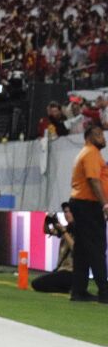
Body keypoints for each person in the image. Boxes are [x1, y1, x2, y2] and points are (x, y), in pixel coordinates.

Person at [68, 123, 108, 302]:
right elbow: (93, 181)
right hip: (88, 204)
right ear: (90, 137)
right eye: (99, 135)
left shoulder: (88, 153)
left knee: (83, 248)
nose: (103, 138)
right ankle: (104, 291)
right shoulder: (91, 153)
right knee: (96, 247)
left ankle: (79, 290)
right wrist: (105, 204)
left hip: (81, 203)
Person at [32, 205, 77, 295]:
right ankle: (67, 289)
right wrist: (48, 221)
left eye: (70, 212)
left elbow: (75, 249)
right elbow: (47, 231)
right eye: (65, 212)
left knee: (37, 284)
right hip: (62, 271)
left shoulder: (80, 230)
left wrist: (64, 232)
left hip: (72, 272)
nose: (67, 214)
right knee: (39, 283)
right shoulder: (66, 228)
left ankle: (67, 290)